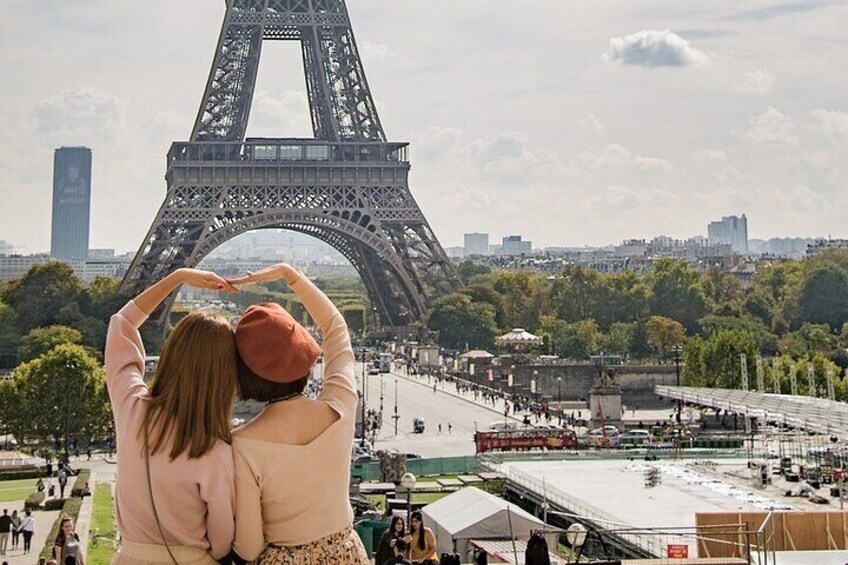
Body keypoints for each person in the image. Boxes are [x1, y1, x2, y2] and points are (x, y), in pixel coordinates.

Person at [229, 263, 369, 564]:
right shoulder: (339, 408)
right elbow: (336, 327)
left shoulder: (242, 445)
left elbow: (250, 547)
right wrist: (292, 276)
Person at [105, 268, 239, 564]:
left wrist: (176, 277)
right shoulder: (215, 452)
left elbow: (122, 322)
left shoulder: (131, 408)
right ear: (226, 377)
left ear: (170, 354)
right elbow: (221, 543)